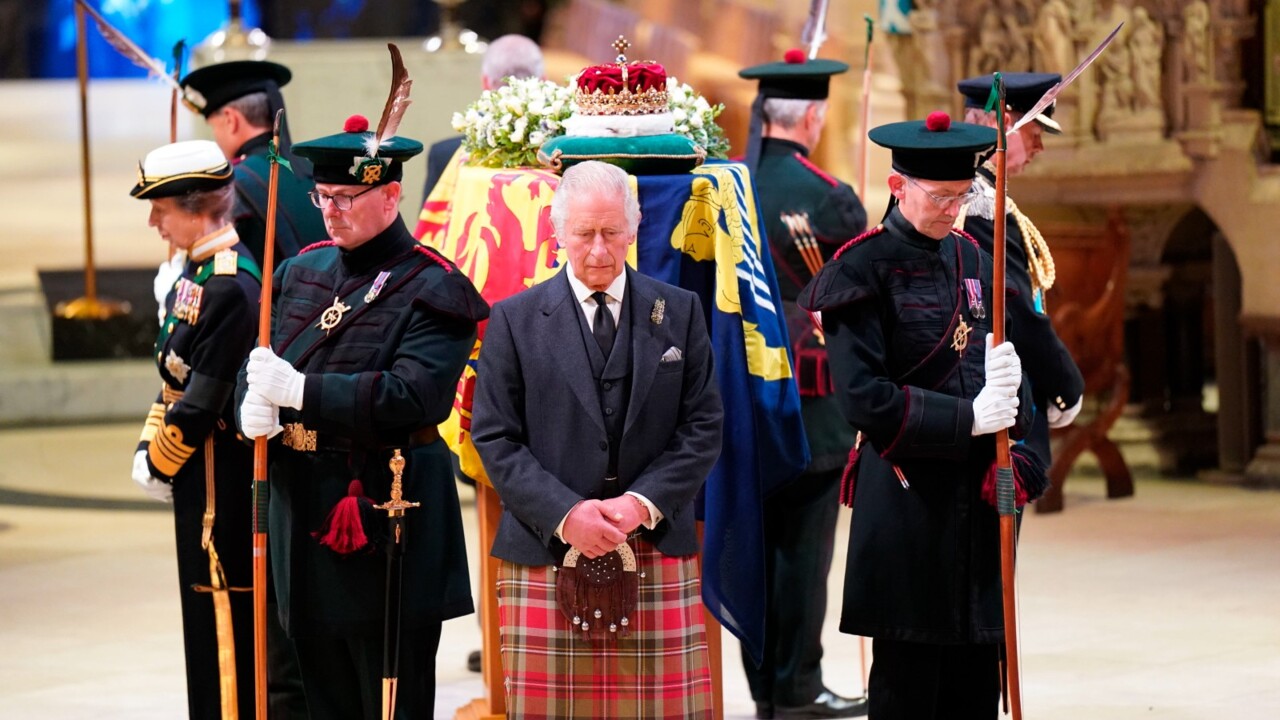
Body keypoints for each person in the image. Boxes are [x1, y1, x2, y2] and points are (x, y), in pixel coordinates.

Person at [236, 114, 488, 719]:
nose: (331, 210)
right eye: (323, 197)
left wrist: (301, 390)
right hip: (304, 523)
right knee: (321, 700)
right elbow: (266, 360)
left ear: (391, 195)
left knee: (390, 702)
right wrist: (250, 403)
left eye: (347, 198)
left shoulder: (435, 287)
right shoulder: (300, 272)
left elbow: (413, 395)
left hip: (384, 524)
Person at [799, 113, 1040, 719]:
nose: (952, 210)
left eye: (961, 197)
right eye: (938, 197)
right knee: (910, 688)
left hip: (978, 510)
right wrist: (968, 419)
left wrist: (1021, 423)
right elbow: (865, 398)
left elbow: (1010, 379)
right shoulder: (859, 271)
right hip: (909, 505)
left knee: (976, 685)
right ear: (897, 184)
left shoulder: (972, 259)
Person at [470, 160, 724, 719]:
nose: (599, 250)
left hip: (654, 543)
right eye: (584, 234)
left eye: (612, 232)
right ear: (557, 232)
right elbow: (494, 437)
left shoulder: (679, 312)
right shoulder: (513, 320)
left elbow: (703, 426)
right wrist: (568, 515)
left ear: (634, 229)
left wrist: (639, 506)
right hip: (544, 549)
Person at [737, 52, 869, 719]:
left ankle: (765, 687)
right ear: (814, 116)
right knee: (804, 552)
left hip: (740, 398)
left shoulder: (725, 186)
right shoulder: (829, 196)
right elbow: (861, 301)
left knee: (756, 549)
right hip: (812, 401)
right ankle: (799, 686)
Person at [129, 139, 261, 720]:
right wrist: (147, 442)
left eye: (162, 208)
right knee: (203, 623)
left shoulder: (228, 284)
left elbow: (202, 400)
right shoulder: (198, 271)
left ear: (199, 206)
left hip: (217, 485)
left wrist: (159, 458)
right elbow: (175, 380)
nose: (154, 221)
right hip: (198, 477)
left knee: (221, 622)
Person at [957, 72, 1084, 467]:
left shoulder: (976, 192)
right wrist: (1066, 385)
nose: (1040, 147)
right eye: (1035, 133)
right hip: (993, 395)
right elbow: (1016, 310)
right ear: (1006, 124)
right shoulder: (978, 203)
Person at [181, 59, 327, 266]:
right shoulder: (318, 169)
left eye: (214, 127)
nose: (216, 136)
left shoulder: (231, 185)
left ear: (231, 120)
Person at [420, 33, 544, 203]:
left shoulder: (445, 156)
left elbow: (431, 226)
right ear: (543, 81)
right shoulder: (559, 156)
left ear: (485, 82)